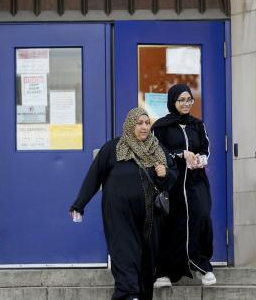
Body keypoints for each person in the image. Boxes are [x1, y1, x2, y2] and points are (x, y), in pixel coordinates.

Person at [70, 107, 177, 300]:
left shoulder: (158, 149)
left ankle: (140, 295)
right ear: (130, 125)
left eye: (147, 123)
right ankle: (127, 295)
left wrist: (165, 175)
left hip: (151, 218)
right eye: (139, 123)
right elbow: (94, 177)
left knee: (146, 261)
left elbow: (170, 180)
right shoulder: (113, 149)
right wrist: (79, 204)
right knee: (124, 254)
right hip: (119, 215)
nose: (144, 127)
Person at [151, 84, 216, 287]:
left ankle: (202, 265)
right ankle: (166, 273)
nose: (186, 104)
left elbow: (206, 149)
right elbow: (157, 152)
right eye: (181, 100)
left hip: (196, 182)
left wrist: (200, 159)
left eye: (189, 99)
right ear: (173, 102)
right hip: (173, 182)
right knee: (174, 223)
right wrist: (180, 153)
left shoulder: (198, 125)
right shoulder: (161, 127)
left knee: (201, 216)